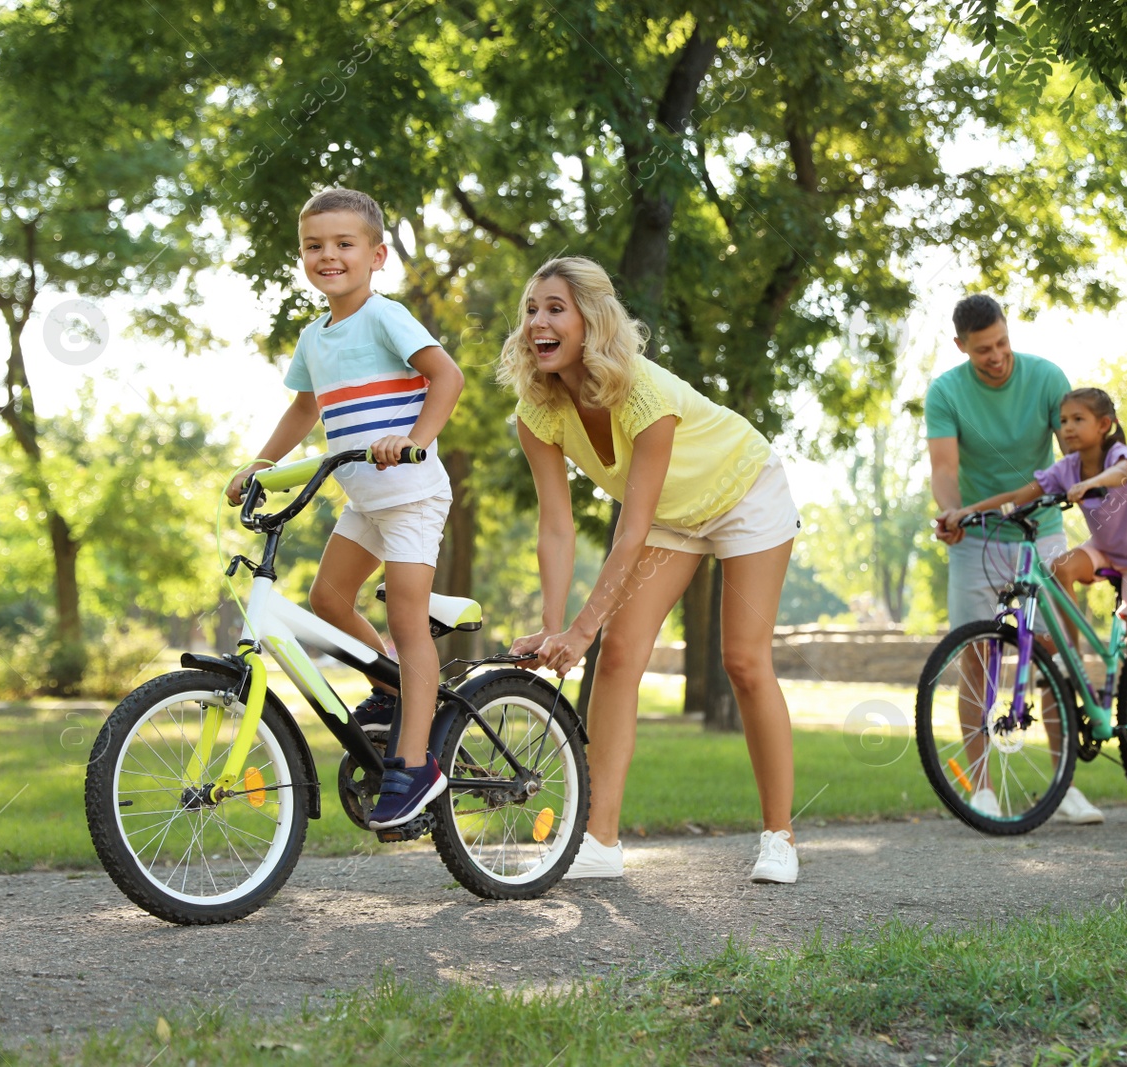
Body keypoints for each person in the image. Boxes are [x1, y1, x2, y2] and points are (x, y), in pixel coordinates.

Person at [500, 256, 801, 884]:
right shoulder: (537, 411)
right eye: (531, 310)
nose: (538, 323)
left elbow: (629, 530)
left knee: (743, 661)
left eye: (555, 308)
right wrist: (556, 627)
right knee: (619, 657)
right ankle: (600, 841)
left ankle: (779, 837)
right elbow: (555, 527)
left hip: (744, 491)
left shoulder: (644, 394)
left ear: (592, 321)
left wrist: (583, 626)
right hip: (671, 516)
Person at [224, 187, 465, 831]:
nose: (328, 255)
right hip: (364, 497)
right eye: (314, 245)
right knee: (328, 601)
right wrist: (263, 464)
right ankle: (391, 692)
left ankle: (415, 764)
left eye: (343, 244)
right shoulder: (315, 336)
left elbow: (448, 377)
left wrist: (415, 440)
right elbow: (305, 408)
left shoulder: (384, 317)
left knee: (409, 623)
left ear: (376, 255)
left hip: (411, 494)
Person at [941, 387, 1127, 785]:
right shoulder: (1067, 467)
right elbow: (1019, 495)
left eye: (1078, 420)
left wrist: (1092, 483)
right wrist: (968, 512)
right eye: (1062, 421)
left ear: (1104, 425)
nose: (1067, 427)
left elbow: (1121, 474)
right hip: (1105, 550)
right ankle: (1071, 658)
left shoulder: (1116, 457)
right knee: (1059, 566)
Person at [926, 295, 1106, 824]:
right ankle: (982, 788)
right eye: (984, 350)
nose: (997, 356)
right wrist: (950, 511)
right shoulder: (947, 392)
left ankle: (1062, 784)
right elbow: (943, 467)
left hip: (1042, 531)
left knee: (1056, 655)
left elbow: (1075, 448)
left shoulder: (1047, 378)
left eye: (1002, 343)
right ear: (962, 347)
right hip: (980, 538)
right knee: (977, 660)